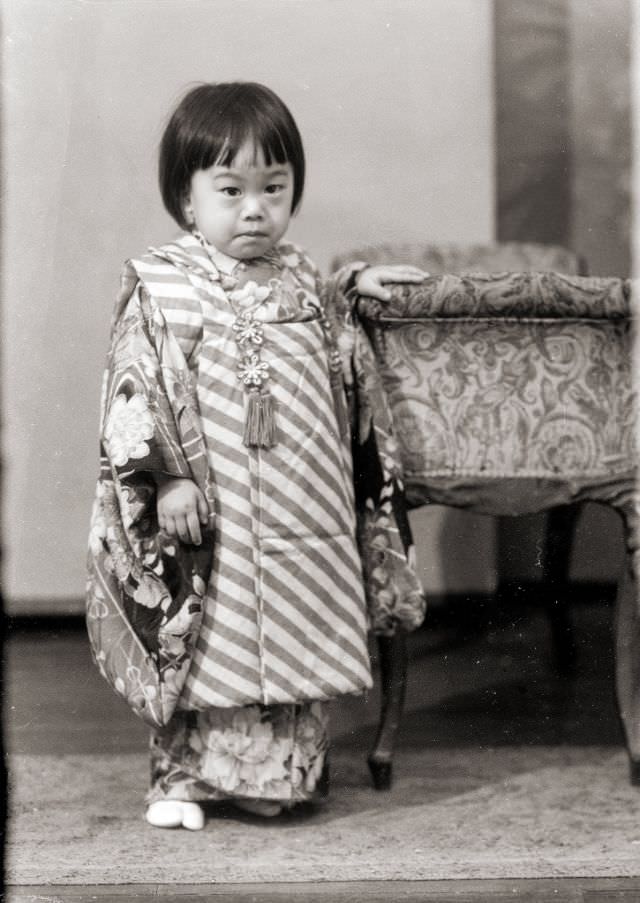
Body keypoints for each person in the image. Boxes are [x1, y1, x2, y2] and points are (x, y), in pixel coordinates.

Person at [86, 81, 426, 831]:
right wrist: (169, 478)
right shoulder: (164, 282)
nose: (255, 209)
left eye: (274, 188)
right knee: (211, 628)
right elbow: (136, 386)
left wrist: (353, 286)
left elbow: (330, 322)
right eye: (231, 190)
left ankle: (283, 778)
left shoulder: (301, 275)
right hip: (218, 507)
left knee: (301, 623)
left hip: (302, 500)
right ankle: (184, 779)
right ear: (187, 198)